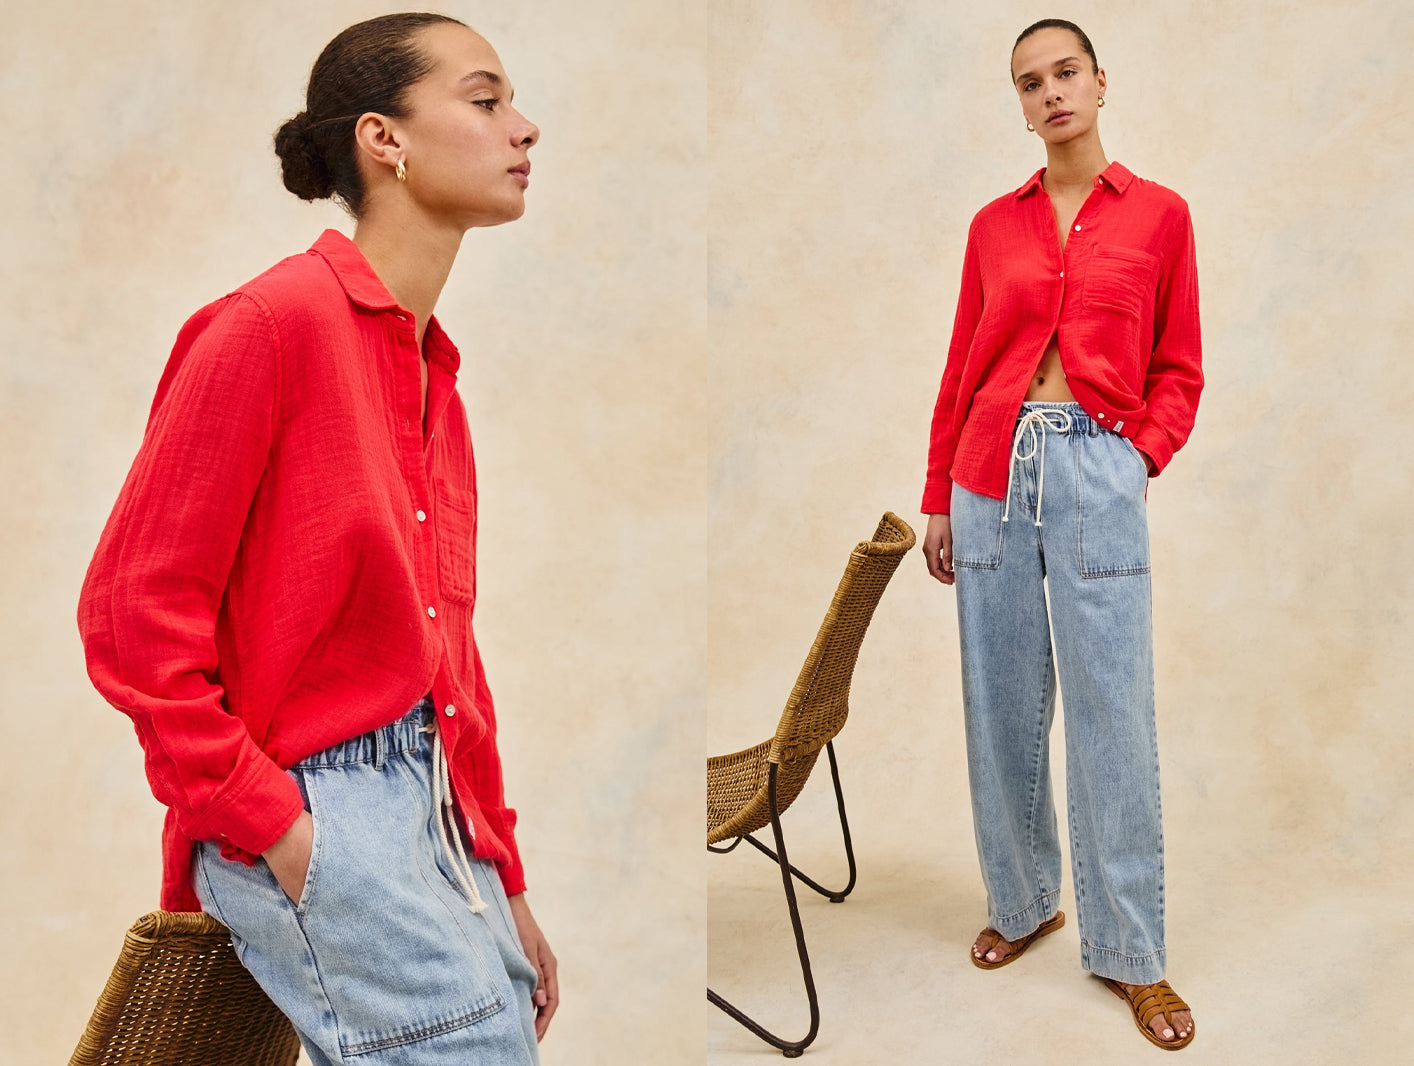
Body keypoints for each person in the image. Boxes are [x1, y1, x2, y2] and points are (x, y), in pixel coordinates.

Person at [76, 13, 556, 1063]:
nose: (523, 128)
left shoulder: (435, 375)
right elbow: (130, 613)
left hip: (435, 804)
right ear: (384, 139)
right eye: (485, 101)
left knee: (508, 1035)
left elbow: (444, 655)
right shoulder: (270, 324)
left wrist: (499, 869)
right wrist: (279, 826)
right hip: (324, 802)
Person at [920, 18, 1201, 1051]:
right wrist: (937, 494)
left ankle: (1132, 954)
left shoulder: (1160, 216)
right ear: (1021, 101)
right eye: (1028, 82)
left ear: (1098, 81)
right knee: (999, 702)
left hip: (1095, 464)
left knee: (1109, 711)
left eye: (1063, 73)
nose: (1048, 93)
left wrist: (1137, 453)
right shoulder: (994, 226)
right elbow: (961, 364)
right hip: (988, 470)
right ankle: (1025, 895)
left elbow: (1180, 365)